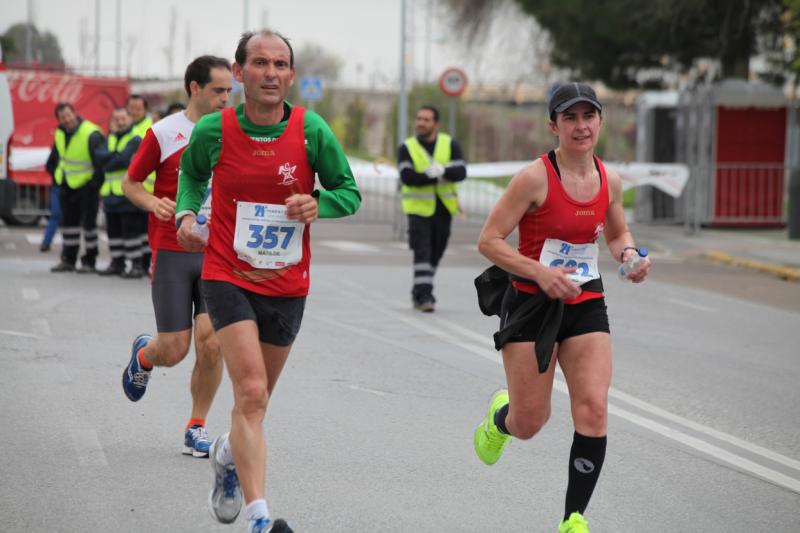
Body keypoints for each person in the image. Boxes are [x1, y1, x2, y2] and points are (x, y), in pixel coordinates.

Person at [174, 30, 360, 533]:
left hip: (286, 284)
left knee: (256, 403)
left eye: (281, 64)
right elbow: (190, 177)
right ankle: (260, 518)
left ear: (291, 76)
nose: (271, 73)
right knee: (251, 392)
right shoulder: (213, 131)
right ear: (239, 73)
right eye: (260, 63)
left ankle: (226, 457)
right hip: (226, 273)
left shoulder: (310, 129)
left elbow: (349, 192)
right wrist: (186, 216)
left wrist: (318, 203)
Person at [472, 82, 651, 533]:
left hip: (585, 301)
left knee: (593, 407)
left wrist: (629, 255)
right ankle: (501, 419)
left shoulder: (608, 179)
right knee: (531, 421)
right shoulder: (534, 178)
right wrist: (538, 272)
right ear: (553, 125)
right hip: (532, 303)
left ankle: (572, 519)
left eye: (588, 116)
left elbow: (615, 234)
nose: (581, 126)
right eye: (569, 117)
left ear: (600, 122)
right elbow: (489, 241)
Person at [120, 56, 233, 458]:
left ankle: (196, 427)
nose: (225, 99)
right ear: (195, 88)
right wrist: (154, 203)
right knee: (175, 349)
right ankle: (145, 354)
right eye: (218, 90)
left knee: (212, 344)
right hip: (171, 249)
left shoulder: (233, 131)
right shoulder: (164, 133)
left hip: (219, 252)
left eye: (229, 92)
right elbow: (130, 182)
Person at [397, 105, 466, 312]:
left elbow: (461, 172)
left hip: (443, 208)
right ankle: (425, 296)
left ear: (436, 124)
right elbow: (408, 177)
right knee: (423, 251)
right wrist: (432, 174)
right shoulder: (407, 147)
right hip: (418, 209)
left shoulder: (449, 144)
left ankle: (419, 290)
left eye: (426, 119)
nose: (421, 123)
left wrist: (443, 169)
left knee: (437, 250)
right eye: (419, 118)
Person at [48, 102, 106, 273]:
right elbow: (56, 157)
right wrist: (56, 177)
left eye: (68, 115)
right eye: (62, 117)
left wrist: (94, 185)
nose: (66, 119)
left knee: (89, 226)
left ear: (74, 113)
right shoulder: (60, 132)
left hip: (87, 187)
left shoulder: (91, 133)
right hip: (67, 185)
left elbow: (100, 164)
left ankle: (90, 261)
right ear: (58, 119)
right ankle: (68, 259)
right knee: (69, 225)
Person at [98, 108, 145, 277]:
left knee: (131, 232)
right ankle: (117, 263)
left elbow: (122, 160)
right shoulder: (110, 137)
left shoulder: (135, 138)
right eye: (116, 118)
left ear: (130, 118)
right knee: (113, 233)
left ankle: (136, 266)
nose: (120, 121)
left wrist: (111, 159)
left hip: (128, 193)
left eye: (123, 118)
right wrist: (114, 158)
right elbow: (99, 157)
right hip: (110, 194)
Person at [127, 93, 155, 273]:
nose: (135, 111)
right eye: (132, 108)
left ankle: (143, 264)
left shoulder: (149, 129)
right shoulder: (128, 127)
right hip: (132, 186)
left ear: (145, 110)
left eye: (138, 108)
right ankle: (139, 264)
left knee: (143, 231)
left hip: (148, 189)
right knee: (134, 230)